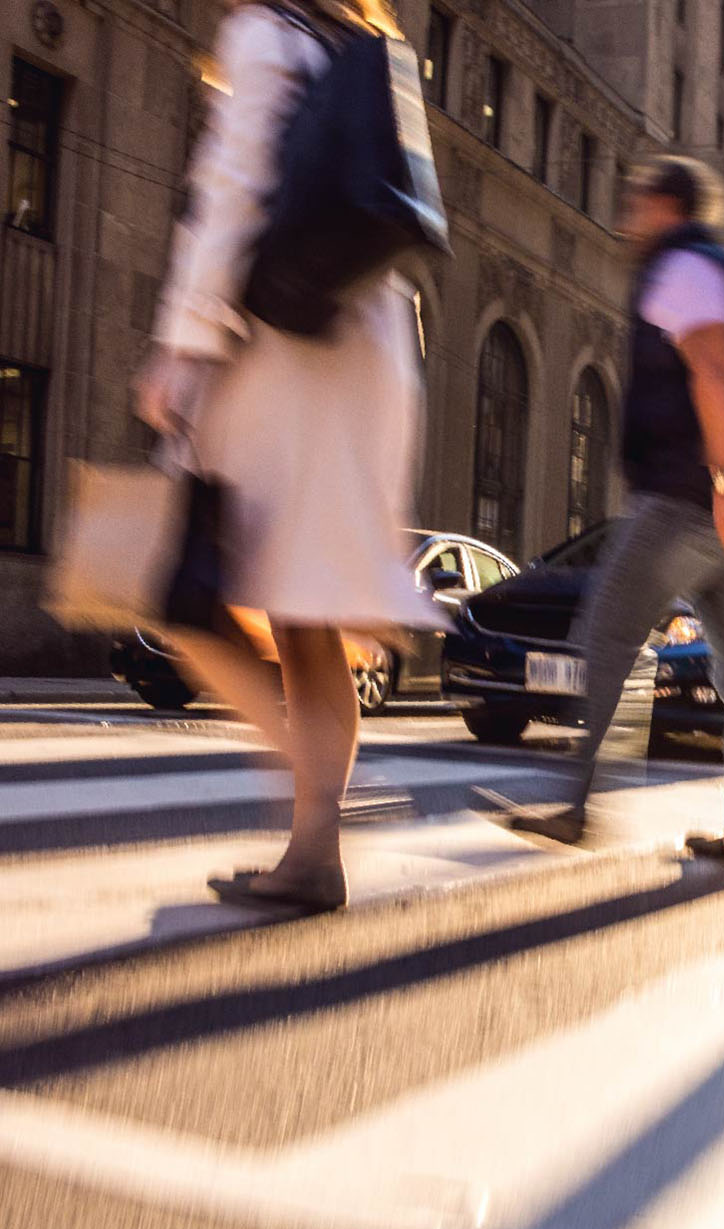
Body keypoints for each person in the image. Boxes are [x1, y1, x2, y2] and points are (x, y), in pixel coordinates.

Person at [133, 0, 438, 913]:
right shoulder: (357, 45)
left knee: (189, 599)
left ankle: (308, 804)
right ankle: (314, 847)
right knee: (302, 619)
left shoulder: (265, 34)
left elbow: (233, 189)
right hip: (364, 350)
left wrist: (181, 345)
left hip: (287, 362)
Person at [501, 156, 724, 864]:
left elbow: (712, 371)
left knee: (607, 631)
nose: (627, 215)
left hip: (691, 498)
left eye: (636, 201)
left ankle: (578, 806)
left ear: (667, 206)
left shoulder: (685, 265)